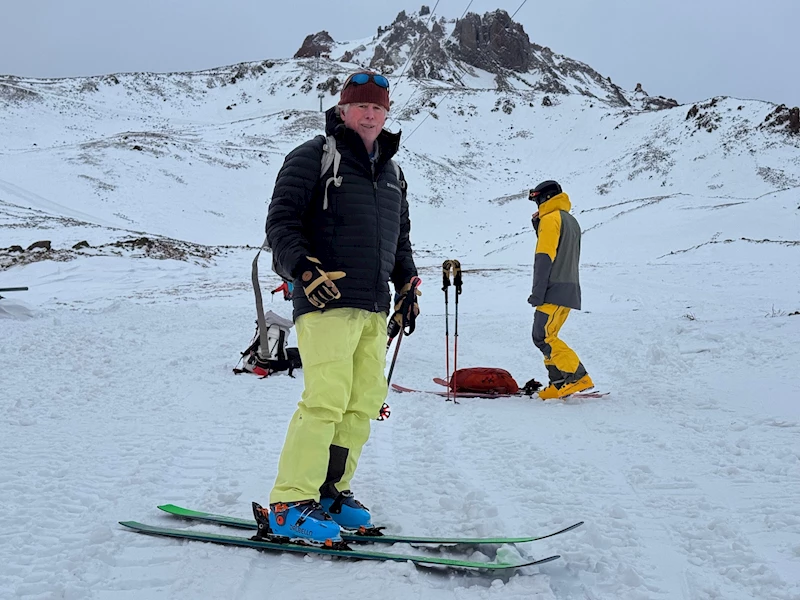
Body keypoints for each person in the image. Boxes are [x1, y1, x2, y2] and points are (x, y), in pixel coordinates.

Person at [259, 69, 419, 545]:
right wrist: (303, 269)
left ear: (387, 114)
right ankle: (290, 500)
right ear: (343, 111)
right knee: (325, 400)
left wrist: (407, 286)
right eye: (361, 106)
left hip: (373, 307)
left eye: (378, 107)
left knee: (361, 403)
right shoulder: (314, 156)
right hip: (326, 300)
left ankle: (330, 492)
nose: (370, 114)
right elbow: (280, 222)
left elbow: (400, 240)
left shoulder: (392, 173)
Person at [527, 180, 593, 399]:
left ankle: (576, 376)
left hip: (553, 289)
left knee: (543, 336)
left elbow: (545, 257)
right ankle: (558, 383)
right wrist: (539, 227)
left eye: (536, 200)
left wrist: (538, 292)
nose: (536, 205)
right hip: (568, 288)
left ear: (545, 198)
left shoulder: (551, 219)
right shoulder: (570, 220)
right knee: (546, 335)